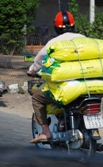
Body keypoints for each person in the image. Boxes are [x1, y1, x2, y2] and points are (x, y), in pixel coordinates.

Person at [27, 11, 85, 143]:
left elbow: (40, 59)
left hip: (65, 86)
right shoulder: (83, 38)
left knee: (37, 97)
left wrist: (32, 70)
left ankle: (46, 132)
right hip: (85, 84)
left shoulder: (54, 43)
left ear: (56, 27)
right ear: (73, 25)